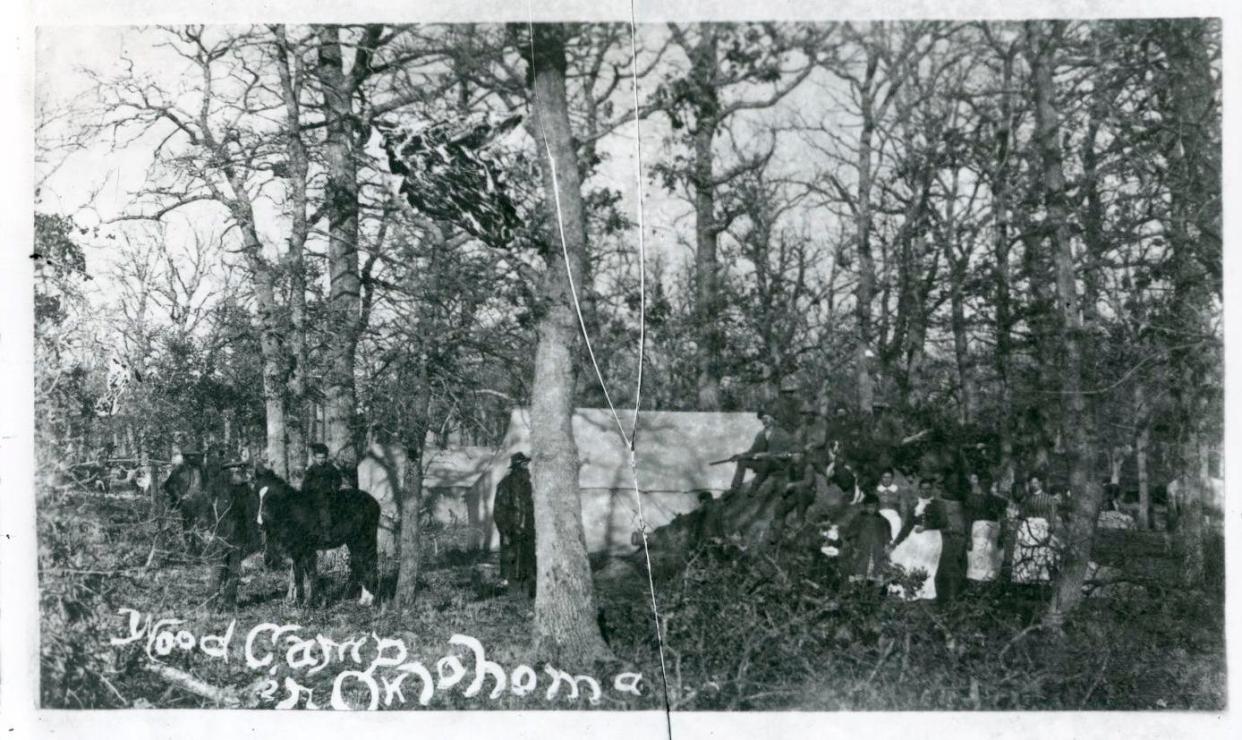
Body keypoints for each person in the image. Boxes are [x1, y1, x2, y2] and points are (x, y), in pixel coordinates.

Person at [888, 476, 944, 600]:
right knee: (906, 561)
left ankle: (925, 594)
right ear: (919, 490)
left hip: (932, 538)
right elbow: (908, 526)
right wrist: (896, 542)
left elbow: (943, 522)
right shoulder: (914, 504)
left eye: (928, 489)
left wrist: (926, 527)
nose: (926, 491)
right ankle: (910, 593)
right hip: (916, 538)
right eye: (923, 489)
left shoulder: (938, 505)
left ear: (932, 490)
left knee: (927, 567)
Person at [495, 452, 535, 594]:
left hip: (528, 531)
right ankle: (513, 592)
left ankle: (525, 592)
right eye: (524, 465)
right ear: (517, 467)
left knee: (526, 563)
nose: (527, 468)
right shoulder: (505, 484)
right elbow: (499, 510)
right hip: (512, 531)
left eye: (527, 465)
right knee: (512, 562)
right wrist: (505, 531)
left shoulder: (528, 485)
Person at [1012, 474, 1061, 584]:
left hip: (1042, 530)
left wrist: (1050, 531)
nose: (1033, 485)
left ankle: (1041, 581)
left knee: (1041, 555)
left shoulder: (1049, 499)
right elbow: (1022, 514)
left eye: (1035, 483)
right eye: (1031, 483)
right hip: (1027, 531)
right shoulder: (1027, 499)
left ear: (1040, 483)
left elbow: (1052, 517)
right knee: (1026, 554)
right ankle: (1024, 580)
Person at [965, 472, 1008, 583]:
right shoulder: (972, 499)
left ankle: (989, 590)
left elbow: (1003, 518)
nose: (986, 485)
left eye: (988, 482)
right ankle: (974, 589)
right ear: (979, 483)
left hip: (993, 534)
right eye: (983, 482)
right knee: (976, 560)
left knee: (992, 561)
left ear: (991, 483)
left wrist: (1002, 535)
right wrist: (968, 539)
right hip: (978, 532)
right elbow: (969, 519)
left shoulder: (998, 501)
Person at [931, 478, 969, 603]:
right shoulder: (939, 502)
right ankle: (944, 597)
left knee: (956, 567)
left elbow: (965, 521)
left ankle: (954, 598)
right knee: (943, 567)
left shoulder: (961, 502)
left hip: (958, 536)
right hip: (944, 536)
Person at [843, 492, 893, 585]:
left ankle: (874, 591)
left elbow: (886, 534)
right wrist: (853, 545)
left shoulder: (882, 520)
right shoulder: (859, 518)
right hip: (861, 548)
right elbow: (852, 533)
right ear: (865, 506)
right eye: (868, 507)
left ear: (877, 507)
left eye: (873, 507)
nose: (871, 509)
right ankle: (856, 589)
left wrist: (886, 545)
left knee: (876, 570)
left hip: (876, 549)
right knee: (859, 568)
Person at [303, 443, 342, 537]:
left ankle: (326, 531)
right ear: (314, 458)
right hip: (313, 494)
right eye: (318, 458)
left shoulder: (330, 468)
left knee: (325, 508)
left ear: (326, 458)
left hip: (327, 494)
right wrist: (306, 492)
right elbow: (305, 483)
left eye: (323, 458)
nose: (321, 460)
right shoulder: (311, 469)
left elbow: (338, 479)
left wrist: (334, 488)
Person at [875, 469, 904, 543]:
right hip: (880, 515)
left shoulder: (897, 490)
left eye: (889, 477)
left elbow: (902, 506)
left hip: (893, 515)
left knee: (895, 531)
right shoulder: (877, 490)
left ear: (892, 478)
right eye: (884, 477)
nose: (886, 479)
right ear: (881, 478)